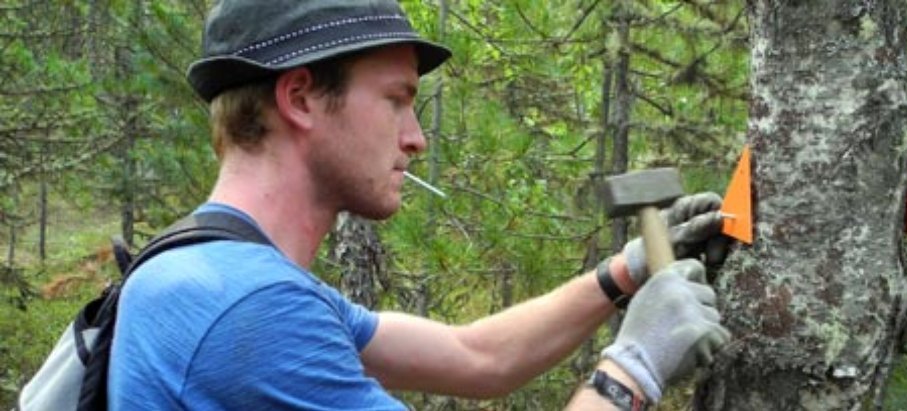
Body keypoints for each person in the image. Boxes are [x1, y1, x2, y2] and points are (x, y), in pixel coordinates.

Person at [108, 0, 732, 410]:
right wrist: (632, 369)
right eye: (394, 99)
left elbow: (476, 357)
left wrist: (623, 272)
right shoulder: (251, 311)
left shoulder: (207, 268)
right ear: (300, 98)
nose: (416, 136)